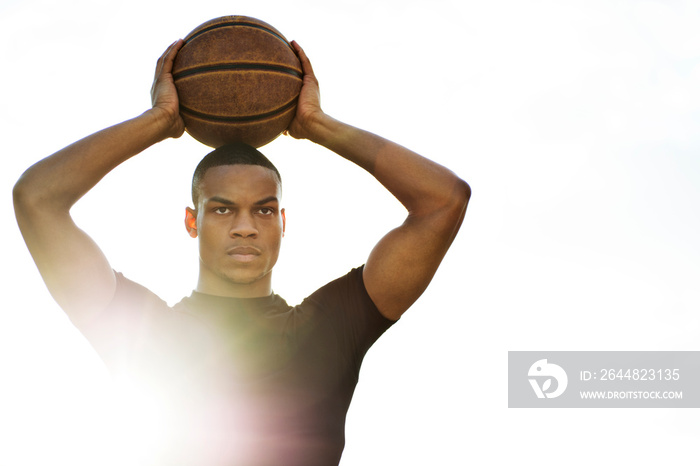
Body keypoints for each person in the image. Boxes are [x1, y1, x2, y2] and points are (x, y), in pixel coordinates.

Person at [13, 38, 469, 466]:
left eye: (264, 211)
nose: (246, 227)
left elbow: (444, 201)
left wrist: (317, 125)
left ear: (283, 224)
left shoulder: (332, 327)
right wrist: (159, 122)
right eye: (224, 209)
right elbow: (37, 199)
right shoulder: (143, 331)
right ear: (193, 222)